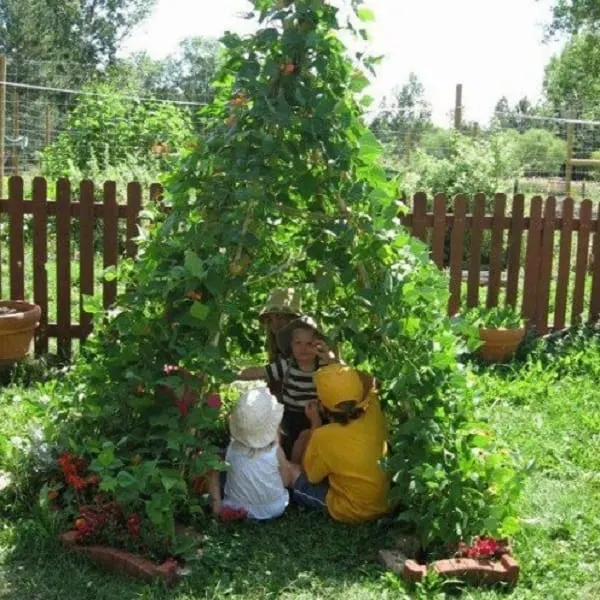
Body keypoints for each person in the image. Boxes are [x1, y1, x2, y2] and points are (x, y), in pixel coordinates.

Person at [288, 363, 391, 524]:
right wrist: (337, 364)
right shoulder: (373, 407)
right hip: (388, 502)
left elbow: (311, 477)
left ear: (322, 403)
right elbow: (369, 381)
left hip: (355, 510)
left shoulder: (323, 436)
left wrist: (315, 423)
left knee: (292, 471)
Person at [238, 316, 337, 459]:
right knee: (279, 435)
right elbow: (261, 372)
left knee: (306, 438)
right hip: (291, 414)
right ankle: (287, 465)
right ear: (291, 345)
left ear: (318, 345)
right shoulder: (288, 365)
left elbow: (342, 373)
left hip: (316, 415)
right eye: (298, 343)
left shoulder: (323, 365)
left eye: (309, 344)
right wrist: (234, 375)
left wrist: (330, 358)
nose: (303, 348)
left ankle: (297, 469)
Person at [208, 387, 295, 521]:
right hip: (273, 509)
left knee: (216, 467)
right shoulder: (275, 450)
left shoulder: (232, 448)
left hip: (235, 506)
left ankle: (216, 505)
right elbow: (286, 479)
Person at [258, 288, 302, 362]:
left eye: (280, 317)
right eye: (270, 320)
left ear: (294, 319)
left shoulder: (308, 347)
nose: (275, 324)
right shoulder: (276, 350)